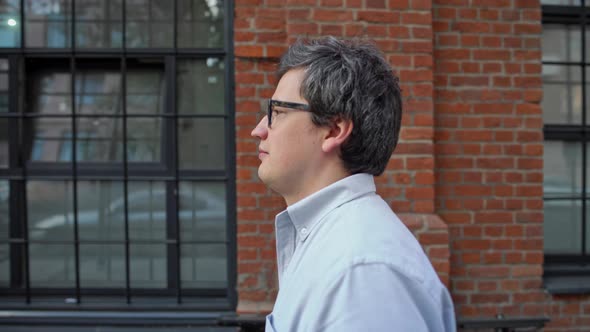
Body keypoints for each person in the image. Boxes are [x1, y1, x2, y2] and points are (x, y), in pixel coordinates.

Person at [250, 36, 456, 332]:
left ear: (334, 129)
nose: (259, 130)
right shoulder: (336, 245)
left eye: (277, 112)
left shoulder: (361, 272)